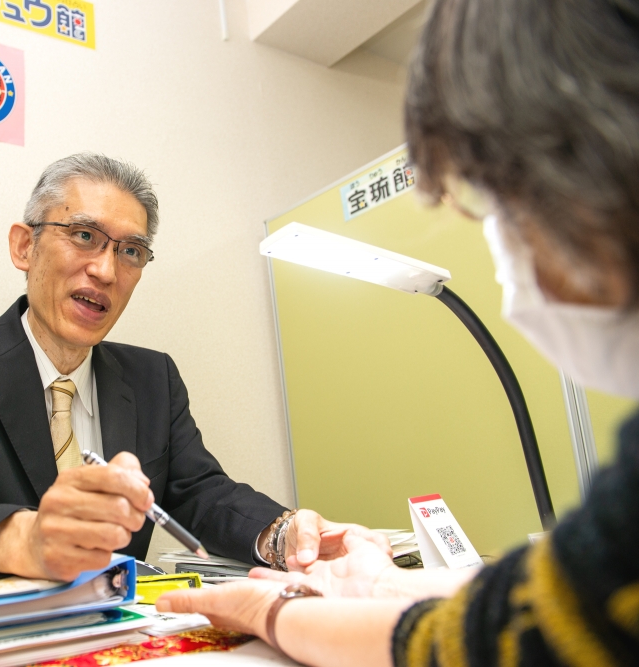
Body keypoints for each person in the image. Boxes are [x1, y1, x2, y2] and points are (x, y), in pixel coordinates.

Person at [157, 0, 639, 664]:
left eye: (499, 197)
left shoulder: (149, 377)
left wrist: (269, 608)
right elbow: (579, 580)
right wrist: (388, 582)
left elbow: (481, 642)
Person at [0, 153, 391, 582]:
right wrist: (28, 539)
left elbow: (202, 493)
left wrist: (286, 535)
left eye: (132, 251)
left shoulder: (152, 378)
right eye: (85, 236)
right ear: (25, 246)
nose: (105, 270)